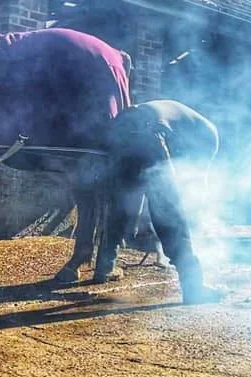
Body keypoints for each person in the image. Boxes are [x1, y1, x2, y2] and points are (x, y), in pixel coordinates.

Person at [93, 100, 223, 304]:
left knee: (121, 201)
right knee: (169, 211)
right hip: (148, 134)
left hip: (119, 128)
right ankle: (194, 287)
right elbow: (195, 181)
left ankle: (105, 266)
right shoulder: (208, 135)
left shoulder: (182, 116)